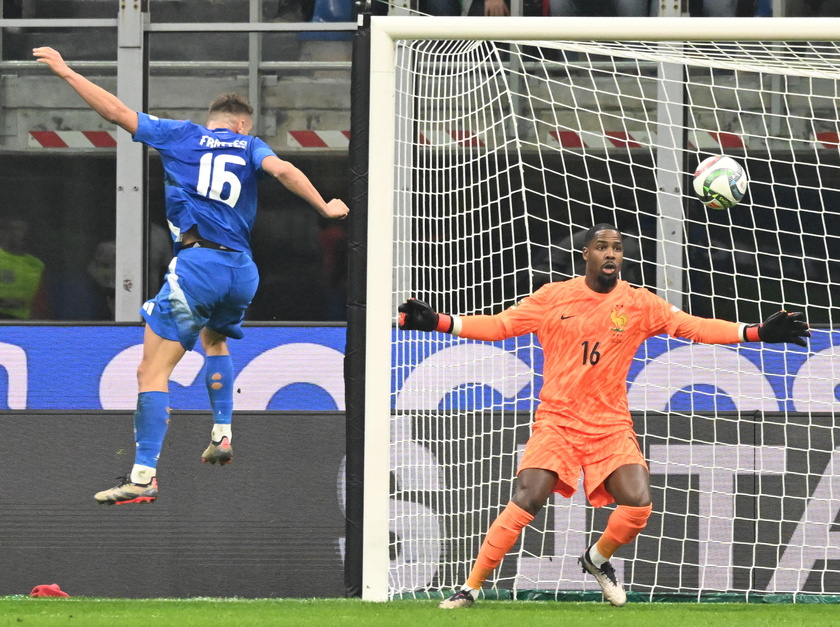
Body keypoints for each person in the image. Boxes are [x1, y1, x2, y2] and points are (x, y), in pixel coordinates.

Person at [398, 224, 809, 608]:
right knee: (528, 497)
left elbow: (694, 327)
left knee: (639, 504)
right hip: (558, 420)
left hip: (609, 424)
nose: (611, 254)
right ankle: (470, 588)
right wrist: (438, 321)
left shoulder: (638, 303)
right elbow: (500, 326)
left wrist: (755, 332)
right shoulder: (552, 297)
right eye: (602, 247)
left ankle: (597, 558)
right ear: (585, 255)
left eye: (616, 248)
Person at [33, 46, 349, 505]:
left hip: (198, 266)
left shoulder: (181, 135)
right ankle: (222, 432)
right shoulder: (250, 145)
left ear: (213, 120)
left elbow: (117, 111)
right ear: (243, 124)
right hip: (241, 270)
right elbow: (282, 169)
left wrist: (65, 71)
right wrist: (325, 205)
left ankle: (143, 476)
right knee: (214, 340)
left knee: (151, 371)